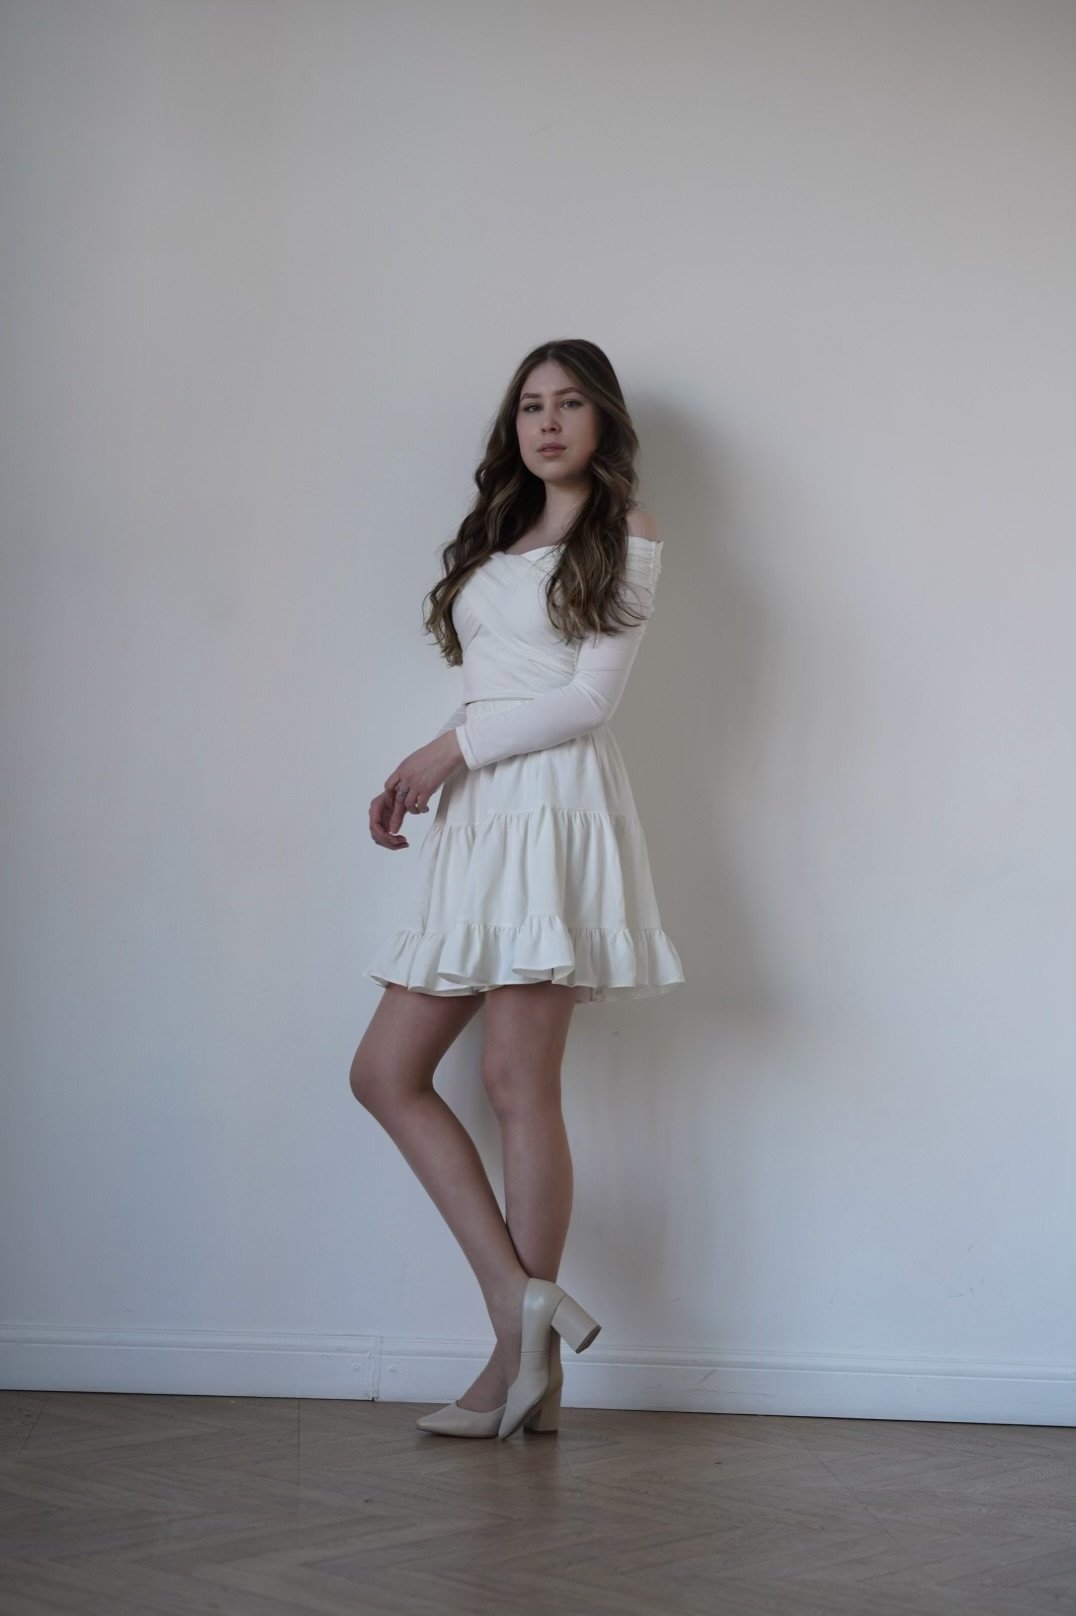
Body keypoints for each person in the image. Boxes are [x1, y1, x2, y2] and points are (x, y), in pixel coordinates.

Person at [350, 338, 685, 1440]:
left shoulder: (623, 532)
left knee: (514, 1080)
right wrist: (430, 766)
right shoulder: (496, 537)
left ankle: (513, 1367)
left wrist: (451, 749)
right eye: (531, 405)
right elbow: (495, 686)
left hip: (554, 808)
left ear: (603, 420)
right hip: (482, 812)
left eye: (570, 403)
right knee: (384, 1072)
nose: (547, 422)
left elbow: (588, 701)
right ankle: (521, 1309)